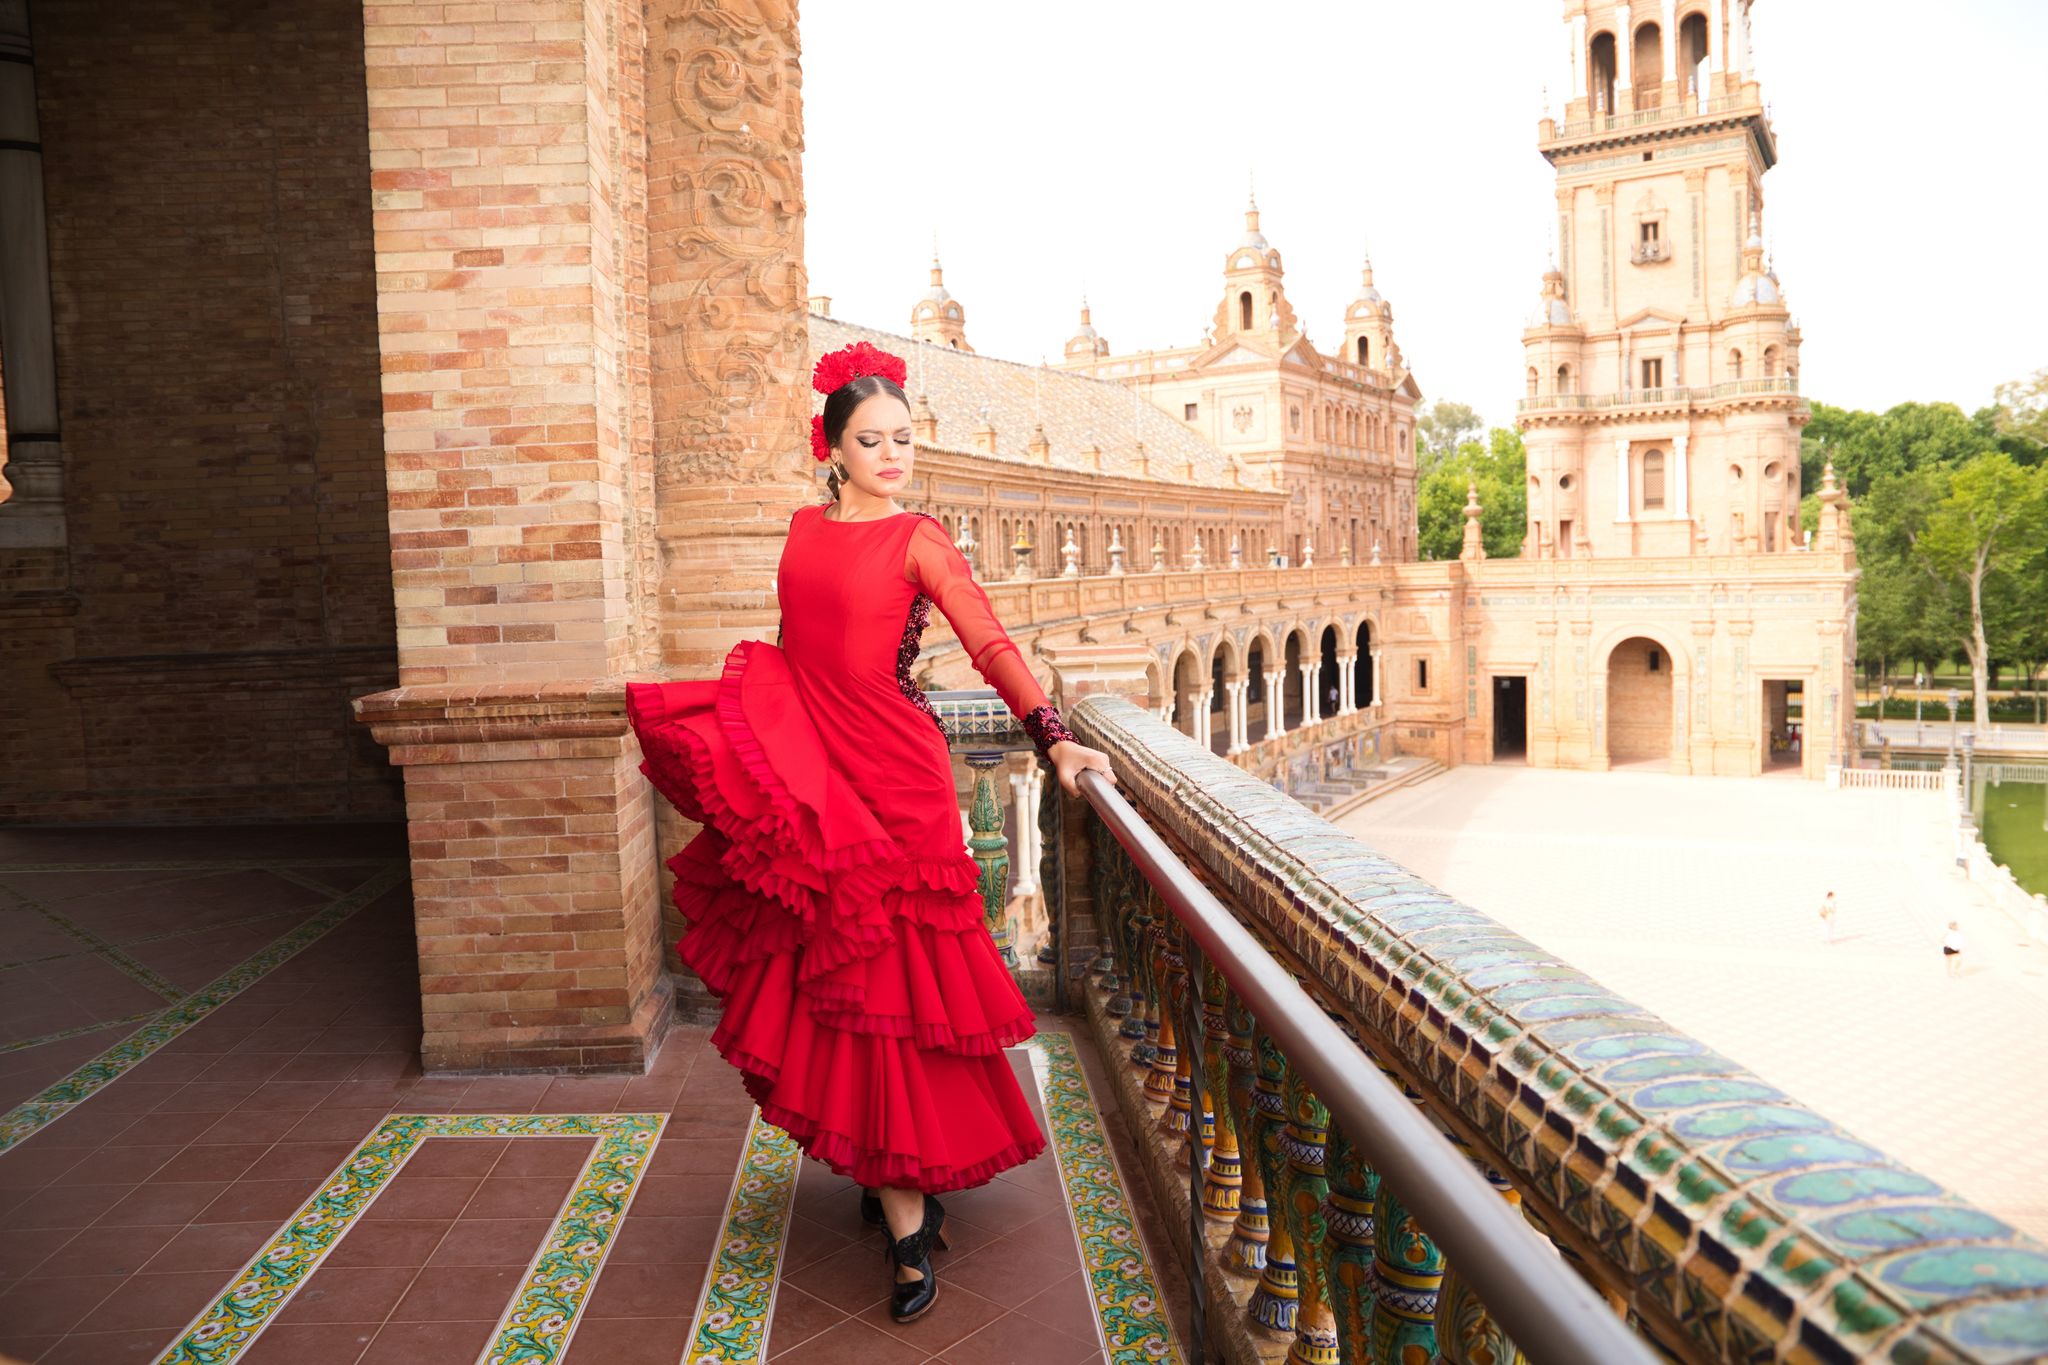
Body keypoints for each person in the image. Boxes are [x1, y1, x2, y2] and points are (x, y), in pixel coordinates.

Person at [622, 340, 1118, 1325]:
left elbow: (985, 639)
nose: (892, 455)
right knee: (848, 993)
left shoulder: (919, 538)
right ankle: (898, 1184)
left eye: (903, 438)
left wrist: (1054, 739)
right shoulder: (802, 533)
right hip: (819, 784)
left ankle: (903, 1214)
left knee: (901, 991)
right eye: (871, 440)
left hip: (899, 785)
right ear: (834, 447)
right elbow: (797, 654)